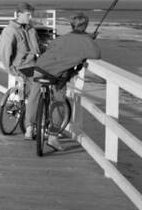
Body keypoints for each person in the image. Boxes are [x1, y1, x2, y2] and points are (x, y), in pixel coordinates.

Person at [22, 12, 102, 145]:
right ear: (86, 26)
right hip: (58, 75)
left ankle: (29, 128)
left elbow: (52, 48)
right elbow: (96, 54)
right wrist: (90, 39)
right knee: (58, 100)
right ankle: (53, 136)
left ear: (72, 25)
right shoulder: (87, 40)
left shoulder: (61, 38)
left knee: (34, 96)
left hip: (40, 67)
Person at [0, 2, 41, 133]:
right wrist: (12, 71)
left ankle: (26, 113)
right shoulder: (10, 31)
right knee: (37, 91)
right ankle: (30, 125)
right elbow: (4, 53)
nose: (31, 18)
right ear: (19, 14)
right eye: (28, 15)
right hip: (21, 67)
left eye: (31, 15)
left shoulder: (31, 29)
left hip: (34, 65)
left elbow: (39, 48)